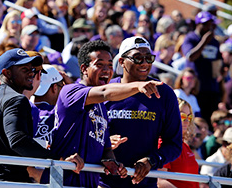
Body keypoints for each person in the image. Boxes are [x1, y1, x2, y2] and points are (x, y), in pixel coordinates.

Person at [42, 40, 166, 187]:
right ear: (84, 68)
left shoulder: (101, 107)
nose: (107, 70)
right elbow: (105, 92)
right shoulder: (70, 91)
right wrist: (138, 86)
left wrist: (112, 162)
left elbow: (106, 148)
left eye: (109, 65)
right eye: (99, 65)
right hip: (62, 181)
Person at [0, 48, 83, 182]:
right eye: (24, 69)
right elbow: (18, 141)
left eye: (32, 69)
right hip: (5, 183)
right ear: (7, 73)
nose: (31, 73)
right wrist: (58, 159)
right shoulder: (16, 99)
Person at [99, 36, 182, 188]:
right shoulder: (105, 90)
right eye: (137, 58)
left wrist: (152, 160)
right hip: (105, 181)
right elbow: (87, 134)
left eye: (148, 58)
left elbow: (174, 144)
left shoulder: (164, 93)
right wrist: (104, 143)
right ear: (122, 62)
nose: (144, 63)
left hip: (144, 183)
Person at [182, 11, 222, 127]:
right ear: (198, 24)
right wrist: (204, 42)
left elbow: (217, 60)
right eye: (205, 24)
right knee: (198, 118)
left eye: (210, 24)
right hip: (197, 86)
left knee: (210, 119)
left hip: (211, 86)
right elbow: (190, 57)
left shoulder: (214, 42)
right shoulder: (191, 38)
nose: (208, 27)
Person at [158, 98, 199, 188]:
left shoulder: (184, 145)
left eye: (189, 117)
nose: (187, 121)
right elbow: (159, 182)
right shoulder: (163, 143)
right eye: (183, 116)